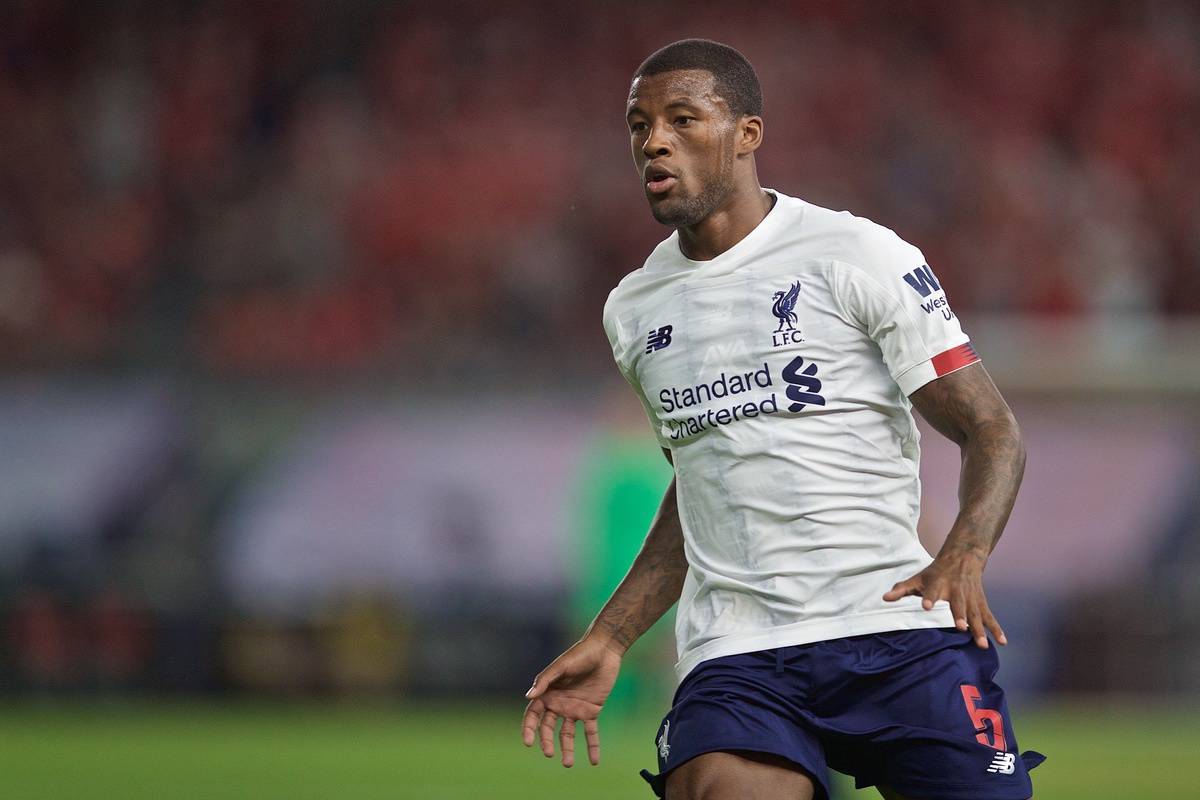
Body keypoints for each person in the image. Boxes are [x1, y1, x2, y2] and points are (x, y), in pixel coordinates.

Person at [521, 38, 1043, 800]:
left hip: (893, 630)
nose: (654, 141)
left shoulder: (855, 254)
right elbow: (699, 486)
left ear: (746, 135)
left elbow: (990, 427)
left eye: (682, 119)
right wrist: (613, 634)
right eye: (639, 125)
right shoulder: (635, 309)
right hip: (740, 656)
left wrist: (965, 551)